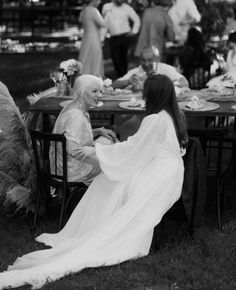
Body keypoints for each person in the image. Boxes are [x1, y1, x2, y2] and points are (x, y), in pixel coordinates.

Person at [0, 74, 188, 289]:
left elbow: (134, 149)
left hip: (161, 172)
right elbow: (139, 146)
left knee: (113, 180)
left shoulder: (154, 119)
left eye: (146, 93)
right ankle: (93, 225)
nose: (143, 97)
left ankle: (97, 229)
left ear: (152, 95)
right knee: (110, 179)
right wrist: (108, 149)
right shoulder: (172, 114)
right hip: (169, 167)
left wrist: (103, 151)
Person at [50, 74, 117, 186]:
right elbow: (74, 151)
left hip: (62, 164)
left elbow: (77, 134)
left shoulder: (75, 105)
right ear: (81, 92)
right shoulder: (77, 116)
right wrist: (100, 157)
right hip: (71, 170)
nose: (99, 95)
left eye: (100, 91)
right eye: (94, 91)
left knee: (109, 144)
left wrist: (100, 131)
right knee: (114, 161)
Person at [112, 46, 189, 90]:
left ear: (156, 59)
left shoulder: (165, 68)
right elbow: (113, 85)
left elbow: (185, 83)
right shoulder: (136, 71)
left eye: (149, 60)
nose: (146, 64)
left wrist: (165, 84)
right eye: (143, 60)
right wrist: (128, 81)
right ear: (139, 60)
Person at [102, 0, 141, 77]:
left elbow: (137, 20)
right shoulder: (107, 7)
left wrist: (134, 31)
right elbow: (104, 23)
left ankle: (124, 76)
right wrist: (102, 38)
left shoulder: (127, 8)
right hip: (113, 37)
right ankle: (120, 75)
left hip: (125, 36)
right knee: (115, 58)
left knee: (124, 58)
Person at [79, 0, 105, 77]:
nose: (99, 2)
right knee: (95, 58)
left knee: (86, 57)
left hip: (86, 38)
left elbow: (80, 20)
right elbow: (103, 24)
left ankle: (85, 76)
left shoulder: (85, 10)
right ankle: (95, 77)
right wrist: (107, 15)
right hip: (94, 38)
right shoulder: (93, 10)